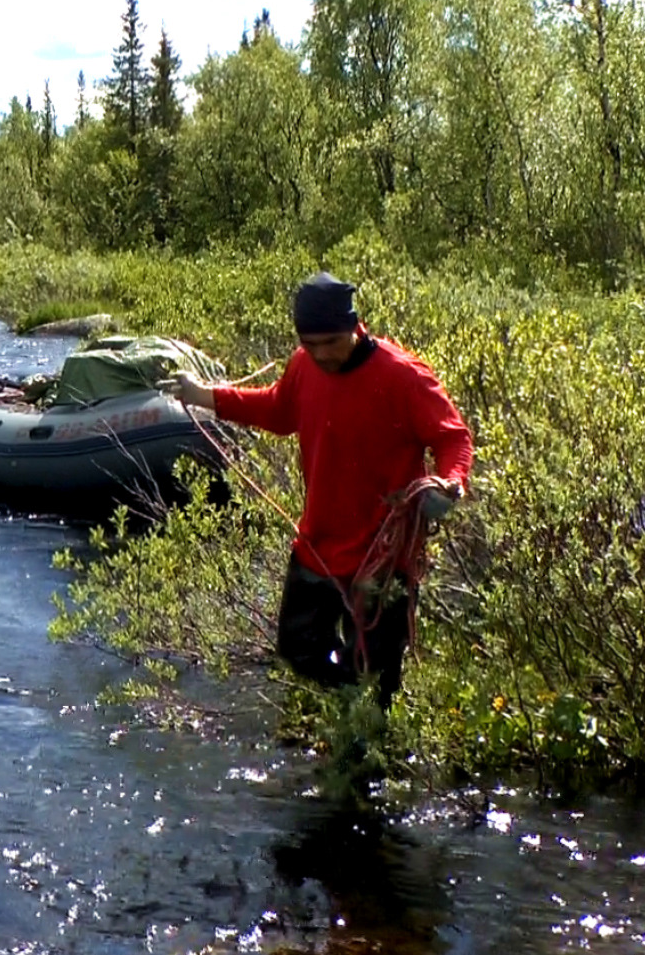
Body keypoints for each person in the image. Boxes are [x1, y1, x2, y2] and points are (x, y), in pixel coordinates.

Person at [155, 272, 473, 707]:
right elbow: (279, 409)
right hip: (318, 545)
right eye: (312, 344)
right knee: (297, 647)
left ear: (355, 327)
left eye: (331, 343)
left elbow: (453, 437)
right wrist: (206, 396)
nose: (322, 354)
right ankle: (352, 704)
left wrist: (451, 482)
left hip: (382, 556)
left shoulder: (402, 375)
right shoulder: (303, 364)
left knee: (377, 679)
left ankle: (369, 733)